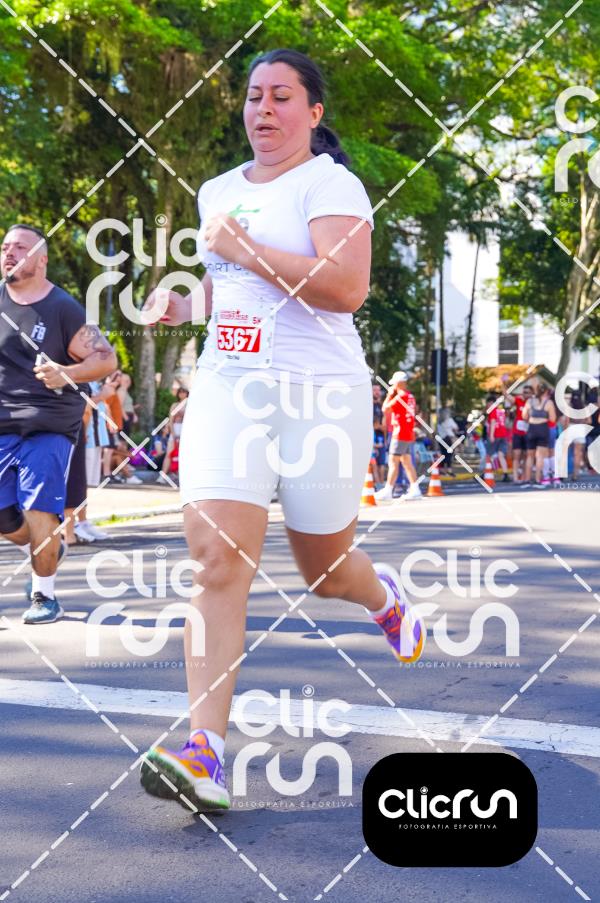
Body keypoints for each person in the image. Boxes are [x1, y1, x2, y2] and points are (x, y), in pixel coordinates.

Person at [139, 49, 425, 812]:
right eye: (253, 96)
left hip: (321, 396)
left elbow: (345, 287)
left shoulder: (330, 185)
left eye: (281, 97)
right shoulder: (218, 191)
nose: (262, 109)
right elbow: (226, 283)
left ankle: (383, 597)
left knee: (325, 571)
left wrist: (247, 249)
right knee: (215, 561)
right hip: (231, 389)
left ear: (313, 113)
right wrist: (184, 306)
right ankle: (204, 753)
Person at [0, 223, 116, 623]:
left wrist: (67, 372)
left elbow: (105, 358)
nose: (10, 253)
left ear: (42, 259)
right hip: (3, 424)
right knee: (6, 518)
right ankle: (46, 548)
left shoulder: (63, 308)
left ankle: (44, 596)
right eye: (5, 247)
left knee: (38, 508)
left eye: (20, 247)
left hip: (49, 423)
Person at [375, 371, 421, 501]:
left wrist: (389, 395)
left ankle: (388, 490)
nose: (393, 386)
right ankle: (415, 488)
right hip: (407, 433)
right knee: (406, 462)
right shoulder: (410, 396)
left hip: (399, 433)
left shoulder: (400, 397)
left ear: (399, 383)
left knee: (393, 462)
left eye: (394, 384)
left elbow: (385, 409)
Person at [521, 382, 556, 487]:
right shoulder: (548, 403)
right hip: (542, 429)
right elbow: (552, 419)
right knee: (540, 456)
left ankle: (527, 480)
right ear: (546, 391)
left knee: (529, 456)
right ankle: (537, 480)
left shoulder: (529, 401)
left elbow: (524, 416)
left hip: (531, 428)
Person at [156, 387, 189, 484]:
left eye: (184, 392)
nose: (182, 394)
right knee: (169, 453)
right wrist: (173, 434)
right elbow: (171, 420)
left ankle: (182, 476)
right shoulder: (175, 405)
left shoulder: (190, 405)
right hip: (175, 429)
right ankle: (162, 476)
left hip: (185, 430)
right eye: (180, 392)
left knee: (184, 455)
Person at [508, 384, 532, 484]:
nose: (525, 394)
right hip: (517, 432)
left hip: (528, 433)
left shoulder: (533, 403)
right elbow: (506, 395)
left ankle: (525, 477)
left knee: (526, 456)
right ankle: (515, 477)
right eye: (524, 392)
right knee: (516, 455)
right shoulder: (518, 400)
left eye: (527, 393)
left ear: (531, 393)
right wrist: (503, 384)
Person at [486, 393, 510, 482]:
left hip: (496, 434)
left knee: (489, 454)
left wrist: (491, 435)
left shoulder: (492, 410)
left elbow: (493, 422)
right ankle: (505, 474)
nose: (487, 406)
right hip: (503, 435)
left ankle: (487, 473)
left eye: (488, 403)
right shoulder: (500, 411)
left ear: (491, 403)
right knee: (501, 455)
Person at [437, 406, 459, 477]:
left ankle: (442, 470)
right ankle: (449, 470)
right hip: (449, 439)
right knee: (449, 455)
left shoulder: (439, 421)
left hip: (441, 439)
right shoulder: (449, 420)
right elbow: (456, 428)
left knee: (443, 454)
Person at [372, 417, 387, 488]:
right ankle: (379, 485)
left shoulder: (377, 432)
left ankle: (380, 484)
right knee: (375, 468)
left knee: (378, 467)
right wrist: (377, 446)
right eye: (377, 423)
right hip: (372, 454)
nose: (379, 425)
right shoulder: (372, 432)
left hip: (376, 452)